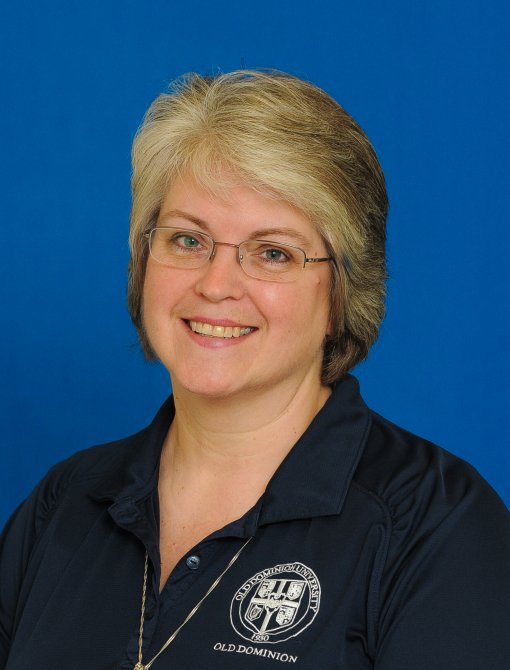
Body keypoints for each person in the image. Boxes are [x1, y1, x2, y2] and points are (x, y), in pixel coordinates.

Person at [1, 70, 509, 670]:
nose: (216, 285)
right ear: (143, 261)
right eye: (188, 240)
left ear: (340, 295)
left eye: (273, 253)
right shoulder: (65, 501)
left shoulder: (436, 524)